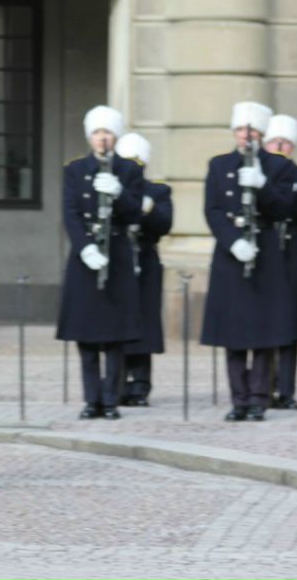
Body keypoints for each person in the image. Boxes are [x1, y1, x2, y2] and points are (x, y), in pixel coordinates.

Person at [201, 101, 297, 422]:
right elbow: (213, 211)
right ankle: (238, 398)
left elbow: (284, 208)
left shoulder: (278, 166)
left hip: (265, 253)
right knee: (234, 333)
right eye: (242, 129)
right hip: (232, 255)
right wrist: (233, 242)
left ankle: (258, 398)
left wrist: (263, 185)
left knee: (264, 332)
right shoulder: (218, 165)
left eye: (253, 130)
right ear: (234, 132)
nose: (247, 135)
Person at [56, 105, 143, 420]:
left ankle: (111, 399)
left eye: (107, 132)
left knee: (114, 335)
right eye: (96, 132)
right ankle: (91, 398)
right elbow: (70, 213)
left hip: (116, 255)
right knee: (87, 334)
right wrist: (84, 248)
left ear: (115, 136)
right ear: (89, 136)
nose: (101, 138)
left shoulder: (130, 170)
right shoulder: (75, 170)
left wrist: (119, 193)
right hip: (86, 259)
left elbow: (134, 214)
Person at [263, 114, 297, 410]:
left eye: (284, 142)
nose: (279, 146)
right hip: (267, 248)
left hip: (293, 249)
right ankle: (262, 386)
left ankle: (286, 389)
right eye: (274, 141)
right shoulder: (257, 174)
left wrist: (293, 195)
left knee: (291, 322)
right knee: (266, 321)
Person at [114, 132, 173, 406]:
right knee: (117, 324)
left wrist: (148, 211)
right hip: (118, 260)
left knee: (144, 325)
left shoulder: (158, 191)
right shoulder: (112, 188)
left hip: (145, 261)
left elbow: (164, 224)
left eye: (137, 160)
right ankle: (116, 381)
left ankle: (140, 384)